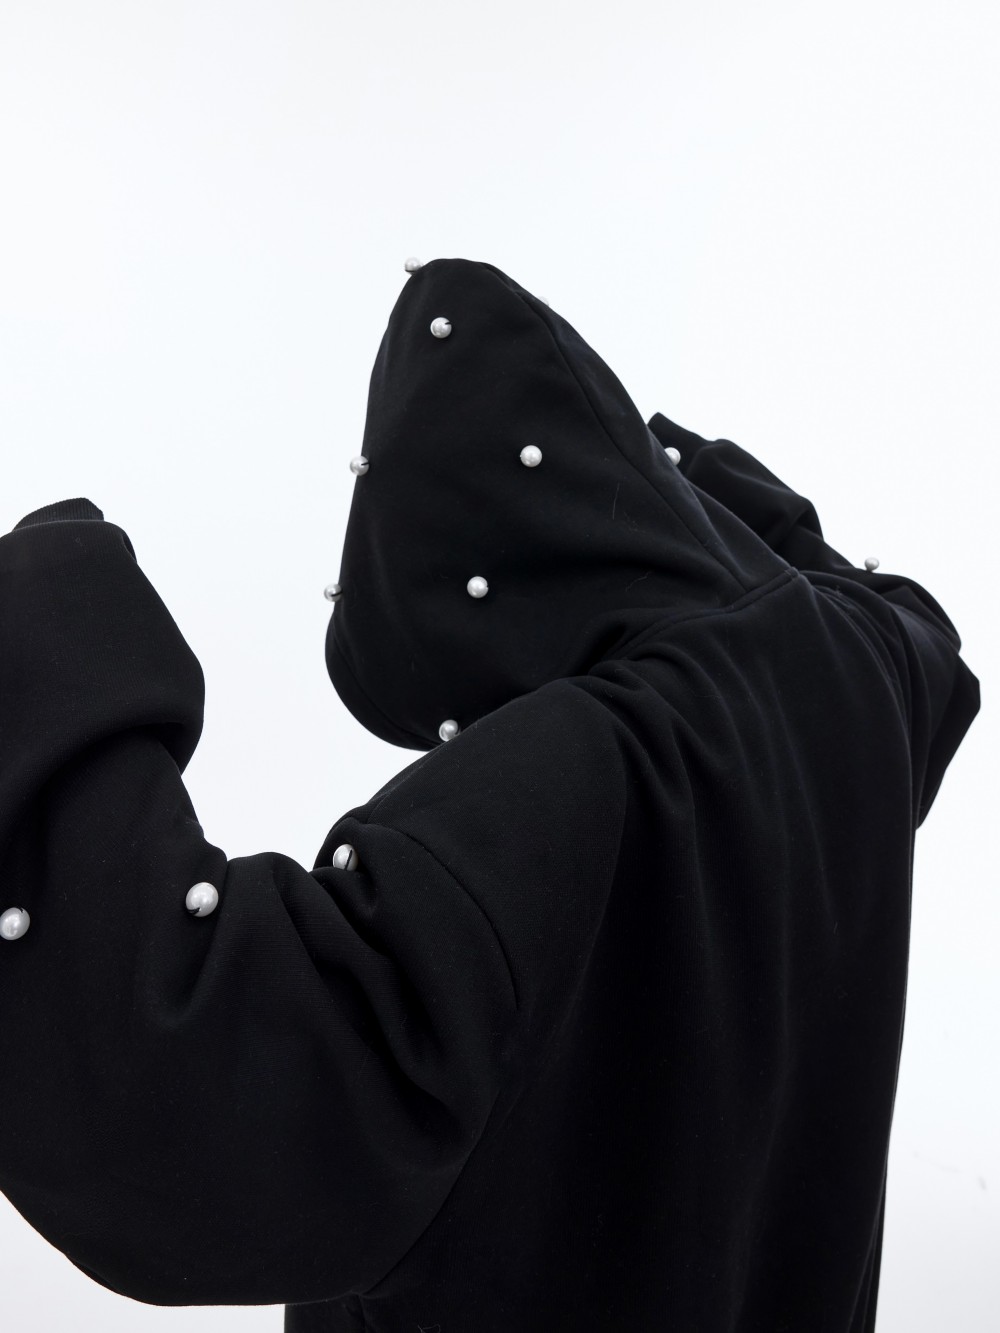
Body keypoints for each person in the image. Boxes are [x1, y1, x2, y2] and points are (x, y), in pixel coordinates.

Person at [0, 257, 980, 1333]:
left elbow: (203, 1105)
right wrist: (679, 484)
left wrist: (43, 644)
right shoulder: (856, 671)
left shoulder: (582, 765)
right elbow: (918, 629)